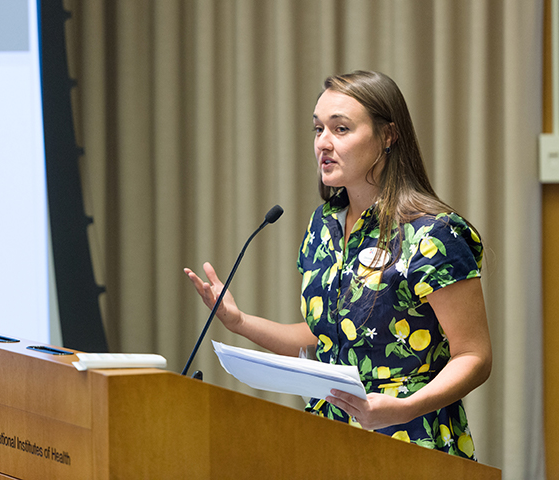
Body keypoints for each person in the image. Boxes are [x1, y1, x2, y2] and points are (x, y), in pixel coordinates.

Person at [184, 70, 491, 459]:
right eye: (318, 129)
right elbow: (325, 336)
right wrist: (239, 322)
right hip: (329, 439)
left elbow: (474, 356)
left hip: (413, 439)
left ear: (388, 136)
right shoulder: (323, 225)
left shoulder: (433, 234)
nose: (323, 143)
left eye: (340, 129)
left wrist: (405, 408)